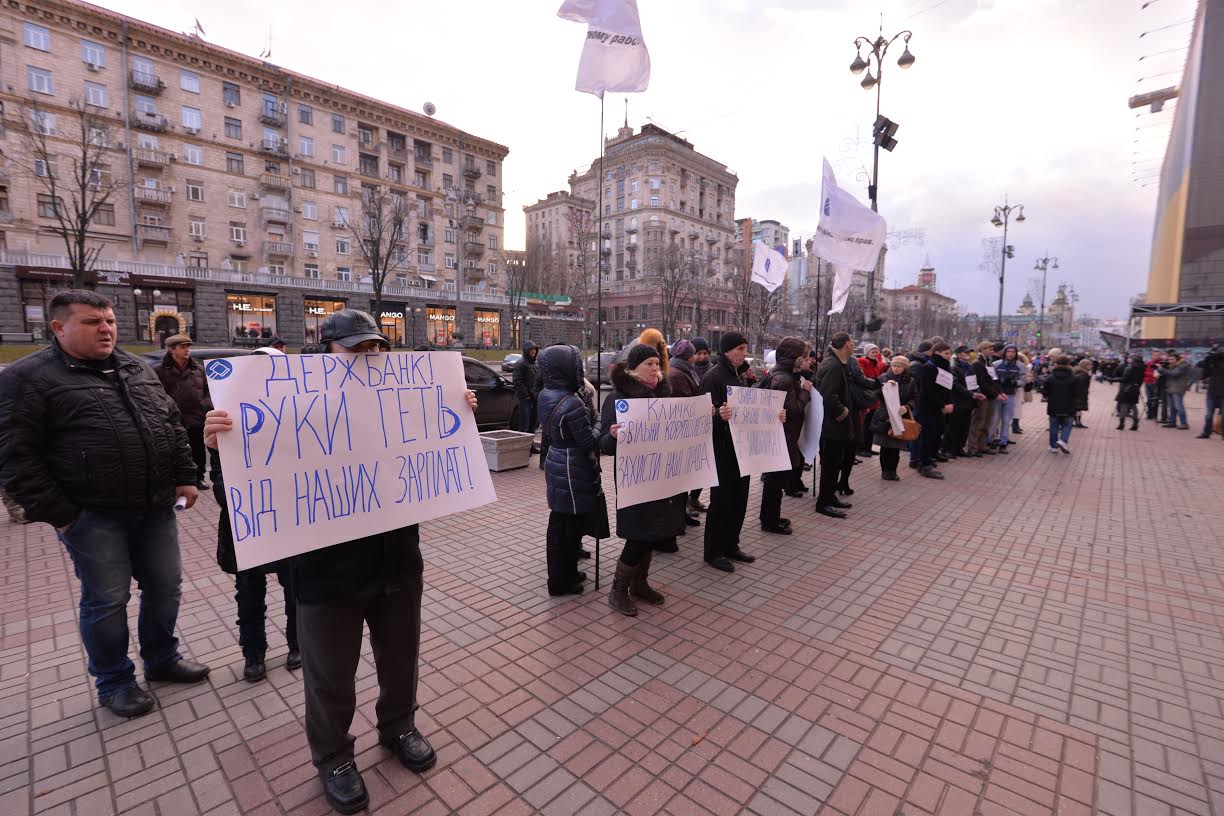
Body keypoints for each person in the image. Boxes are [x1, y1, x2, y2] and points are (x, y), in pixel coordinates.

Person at [204, 309, 479, 814]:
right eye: (353, 348)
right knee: (330, 674)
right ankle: (333, 756)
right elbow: (244, 492)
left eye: (373, 348)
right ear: (324, 352)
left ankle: (399, 726)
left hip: (397, 560)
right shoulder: (289, 403)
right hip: (326, 574)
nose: (365, 357)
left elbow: (430, 456)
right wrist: (224, 446)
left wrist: (455, 413)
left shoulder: (398, 399)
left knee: (401, 659)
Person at [0, 290, 208, 719]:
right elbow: (14, 456)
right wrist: (61, 515)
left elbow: (169, 424)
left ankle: (162, 659)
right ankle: (114, 681)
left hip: (154, 507)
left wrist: (186, 477)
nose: (107, 328)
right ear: (59, 327)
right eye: (93, 322)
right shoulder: (27, 378)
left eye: (110, 320)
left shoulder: (135, 367)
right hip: (93, 516)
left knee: (166, 588)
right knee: (107, 600)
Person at [210, 345, 300, 682]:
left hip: (291, 525)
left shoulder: (298, 419)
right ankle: (253, 653)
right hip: (246, 528)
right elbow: (220, 487)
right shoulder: (227, 421)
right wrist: (215, 449)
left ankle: (297, 644)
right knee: (249, 593)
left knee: (296, 591)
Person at [599, 343, 683, 613]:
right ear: (634, 368)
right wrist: (612, 436)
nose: (655, 369)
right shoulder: (618, 398)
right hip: (633, 477)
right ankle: (618, 590)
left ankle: (640, 584)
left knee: (654, 530)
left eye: (657, 364)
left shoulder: (662, 395)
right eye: (649, 364)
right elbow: (603, 444)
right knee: (638, 533)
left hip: (659, 474)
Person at [537, 344, 600, 597]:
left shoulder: (545, 394)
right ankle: (560, 581)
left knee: (561, 523)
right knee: (567, 527)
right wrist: (598, 421)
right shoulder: (572, 402)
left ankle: (567, 573)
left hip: (557, 460)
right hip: (571, 465)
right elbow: (589, 442)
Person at [702, 332, 758, 569]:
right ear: (727, 350)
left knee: (739, 499)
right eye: (740, 349)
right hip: (722, 449)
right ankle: (713, 551)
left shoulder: (740, 374)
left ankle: (731, 544)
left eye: (745, 349)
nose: (744, 354)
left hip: (741, 448)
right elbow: (702, 415)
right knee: (722, 501)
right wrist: (719, 417)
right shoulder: (713, 377)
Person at [758, 337, 811, 534]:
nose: (808, 360)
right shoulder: (785, 380)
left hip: (783, 435)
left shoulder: (782, 375)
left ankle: (771, 517)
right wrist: (805, 393)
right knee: (775, 481)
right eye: (804, 357)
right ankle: (770, 521)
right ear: (794, 358)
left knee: (776, 480)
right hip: (782, 436)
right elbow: (794, 411)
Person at [155, 334, 213, 490]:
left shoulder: (198, 369)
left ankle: (199, 478)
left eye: (188, 346)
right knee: (177, 450)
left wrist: (205, 404)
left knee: (198, 450)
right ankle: (178, 479)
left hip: (196, 416)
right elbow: (156, 394)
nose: (187, 350)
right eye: (183, 347)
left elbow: (209, 390)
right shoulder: (160, 371)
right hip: (174, 419)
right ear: (172, 350)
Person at [814, 333, 857, 517]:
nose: (853, 345)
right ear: (846, 344)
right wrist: (843, 412)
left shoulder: (837, 362)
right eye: (852, 342)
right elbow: (828, 395)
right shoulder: (833, 364)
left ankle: (830, 497)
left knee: (835, 463)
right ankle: (823, 503)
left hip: (834, 425)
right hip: (832, 425)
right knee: (830, 464)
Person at [667, 339, 705, 527]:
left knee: (683, 478)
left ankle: (682, 513)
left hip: (686, 432)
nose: (694, 358)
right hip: (680, 433)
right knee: (679, 480)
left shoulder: (684, 370)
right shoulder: (677, 374)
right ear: (688, 356)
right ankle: (679, 515)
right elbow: (685, 404)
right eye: (693, 354)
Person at [872, 355, 918, 481]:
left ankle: (893, 470)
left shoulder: (911, 381)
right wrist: (884, 388)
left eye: (899, 366)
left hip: (899, 417)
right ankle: (885, 471)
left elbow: (915, 398)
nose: (896, 369)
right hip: (884, 416)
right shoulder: (883, 378)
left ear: (905, 368)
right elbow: (874, 394)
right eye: (894, 366)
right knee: (885, 446)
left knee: (896, 446)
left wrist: (907, 406)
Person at [914, 342, 954, 478]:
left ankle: (928, 459)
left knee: (936, 433)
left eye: (950, 353)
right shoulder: (929, 368)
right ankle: (924, 464)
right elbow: (928, 391)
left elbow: (946, 388)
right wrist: (942, 405)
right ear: (937, 353)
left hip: (938, 408)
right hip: (928, 408)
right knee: (926, 436)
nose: (949, 356)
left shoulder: (944, 367)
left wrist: (948, 403)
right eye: (946, 354)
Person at [685, 338, 713, 514]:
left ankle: (694, 498)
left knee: (704, 466)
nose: (702, 356)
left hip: (709, 423)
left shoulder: (712, 371)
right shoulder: (689, 372)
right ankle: (686, 501)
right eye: (699, 353)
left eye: (705, 353)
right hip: (693, 426)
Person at [967, 341, 1003, 456]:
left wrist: (999, 392)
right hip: (982, 396)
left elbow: (993, 379)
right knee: (979, 421)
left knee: (987, 421)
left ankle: (982, 445)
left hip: (989, 396)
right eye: (989, 349)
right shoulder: (978, 363)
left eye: (992, 349)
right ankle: (973, 447)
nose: (992, 351)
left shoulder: (988, 363)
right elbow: (982, 382)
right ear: (982, 350)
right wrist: (996, 394)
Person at [1042, 356, 1081, 453]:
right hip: (1069, 405)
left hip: (1053, 405)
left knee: (1053, 425)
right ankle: (1063, 440)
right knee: (1067, 424)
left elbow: (1045, 392)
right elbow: (1077, 393)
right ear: (1068, 364)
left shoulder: (1050, 377)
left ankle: (1053, 446)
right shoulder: (1074, 378)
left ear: (1056, 364)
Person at [991, 345, 1023, 453]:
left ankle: (1003, 443)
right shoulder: (996, 364)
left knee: (1006, 420)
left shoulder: (1020, 366)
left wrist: (1015, 382)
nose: (1011, 354)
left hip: (1010, 395)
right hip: (997, 395)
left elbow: (1023, 380)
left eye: (1013, 352)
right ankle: (989, 441)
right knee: (994, 419)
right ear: (1005, 352)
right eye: (1009, 351)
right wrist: (998, 383)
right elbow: (990, 379)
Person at [513, 341, 541, 438]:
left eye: (534, 349)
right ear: (526, 351)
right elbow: (517, 382)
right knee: (524, 424)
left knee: (533, 424)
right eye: (531, 349)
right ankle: (523, 447)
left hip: (535, 398)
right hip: (525, 399)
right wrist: (526, 395)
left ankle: (531, 445)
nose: (533, 351)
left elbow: (538, 379)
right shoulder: (520, 364)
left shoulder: (536, 363)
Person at [1197, 346, 1224, 438]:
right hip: (1212, 393)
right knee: (1209, 415)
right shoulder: (1211, 363)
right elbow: (1203, 375)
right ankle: (1206, 433)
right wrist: (1208, 360)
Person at [1113, 354, 1145, 431]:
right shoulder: (1142, 367)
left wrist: (1112, 379)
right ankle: (1135, 423)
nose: (1128, 359)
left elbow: (1124, 379)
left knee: (1123, 405)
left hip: (1126, 388)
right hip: (1135, 388)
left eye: (1129, 358)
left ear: (1132, 359)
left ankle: (1121, 424)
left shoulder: (1130, 367)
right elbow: (1141, 379)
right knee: (1133, 406)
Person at [1161, 352, 1191, 429]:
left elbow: (1173, 374)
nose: (1170, 361)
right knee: (1172, 407)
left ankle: (1184, 423)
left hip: (1178, 388)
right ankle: (1172, 422)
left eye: (1172, 359)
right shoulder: (1173, 366)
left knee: (1179, 406)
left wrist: (1162, 370)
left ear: (1177, 359)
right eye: (1169, 359)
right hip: (1171, 387)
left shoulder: (1182, 366)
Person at [1072, 359, 1093, 428]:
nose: (1091, 366)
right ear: (1085, 366)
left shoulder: (1079, 373)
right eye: (1090, 365)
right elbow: (1082, 386)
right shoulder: (1084, 375)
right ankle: (1078, 422)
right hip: (1080, 394)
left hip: (1077, 394)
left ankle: (1077, 422)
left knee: (1077, 409)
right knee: (1078, 409)